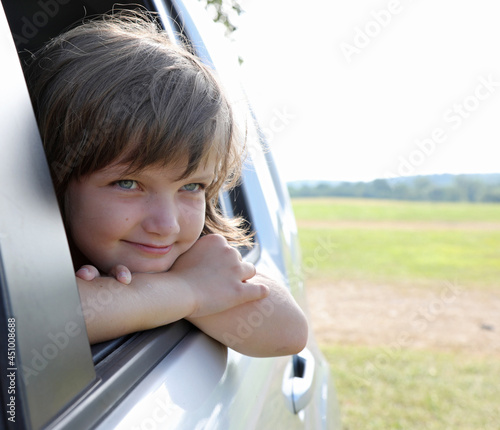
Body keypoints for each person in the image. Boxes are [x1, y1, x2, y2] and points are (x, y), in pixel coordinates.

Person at [24, 11, 308, 357]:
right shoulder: (22, 267)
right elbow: (30, 323)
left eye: (191, 187)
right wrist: (187, 292)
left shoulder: (187, 257)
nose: (167, 224)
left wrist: (185, 284)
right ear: (53, 178)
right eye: (127, 183)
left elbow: (289, 332)